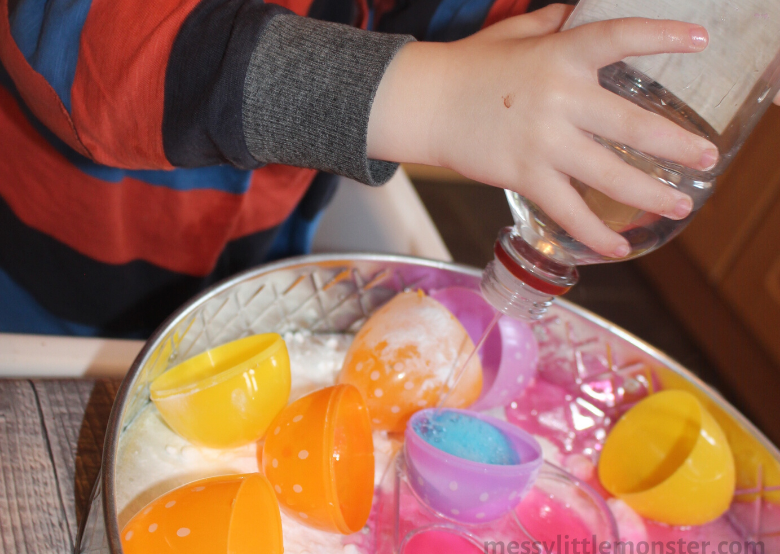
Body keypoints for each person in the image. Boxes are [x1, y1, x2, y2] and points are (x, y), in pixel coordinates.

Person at [0, 1, 765, 337]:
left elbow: (476, 25)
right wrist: (432, 99)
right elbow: (92, 45)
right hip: (35, 302)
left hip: (240, 270)